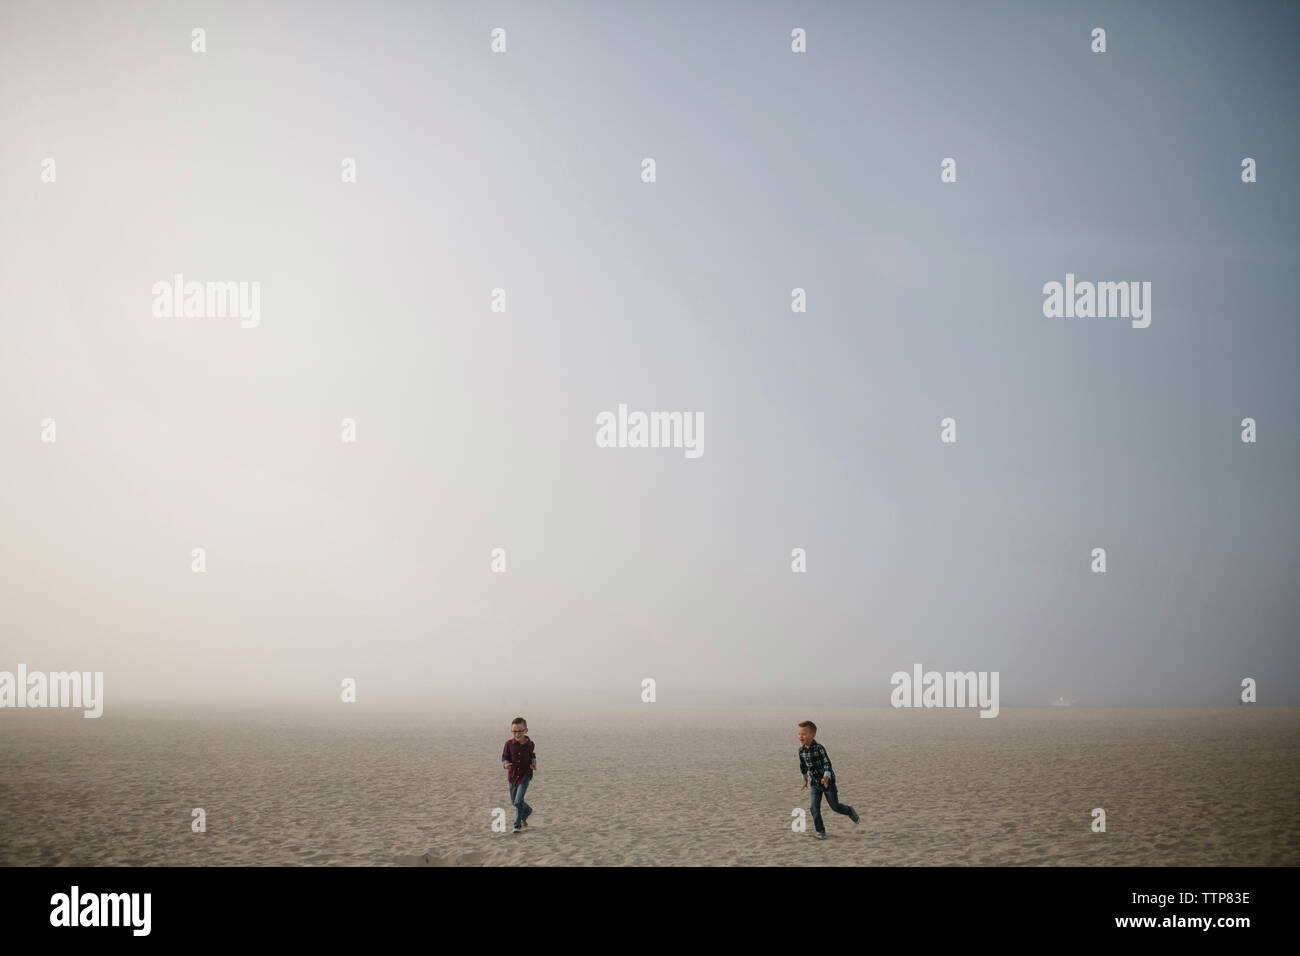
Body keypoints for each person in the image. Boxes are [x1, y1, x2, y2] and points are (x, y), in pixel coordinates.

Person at [797, 720, 859, 839]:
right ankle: (820, 832)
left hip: (827, 783)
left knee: (835, 807)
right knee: (814, 807)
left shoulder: (819, 748)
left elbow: (827, 763)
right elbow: (803, 766)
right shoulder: (801, 750)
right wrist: (805, 780)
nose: (801, 736)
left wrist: (826, 776)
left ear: (813, 734)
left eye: (804, 734)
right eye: (799, 734)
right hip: (815, 783)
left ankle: (849, 811)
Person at [501, 717, 537, 833]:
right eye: (514, 731)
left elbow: (532, 755)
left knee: (518, 801)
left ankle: (517, 825)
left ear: (526, 730)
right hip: (512, 776)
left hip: (525, 776)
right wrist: (506, 764)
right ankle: (527, 811)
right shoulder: (508, 744)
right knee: (514, 801)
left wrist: (533, 763)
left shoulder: (530, 744)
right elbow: (504, 757)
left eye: (519, 731)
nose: (517, 734)